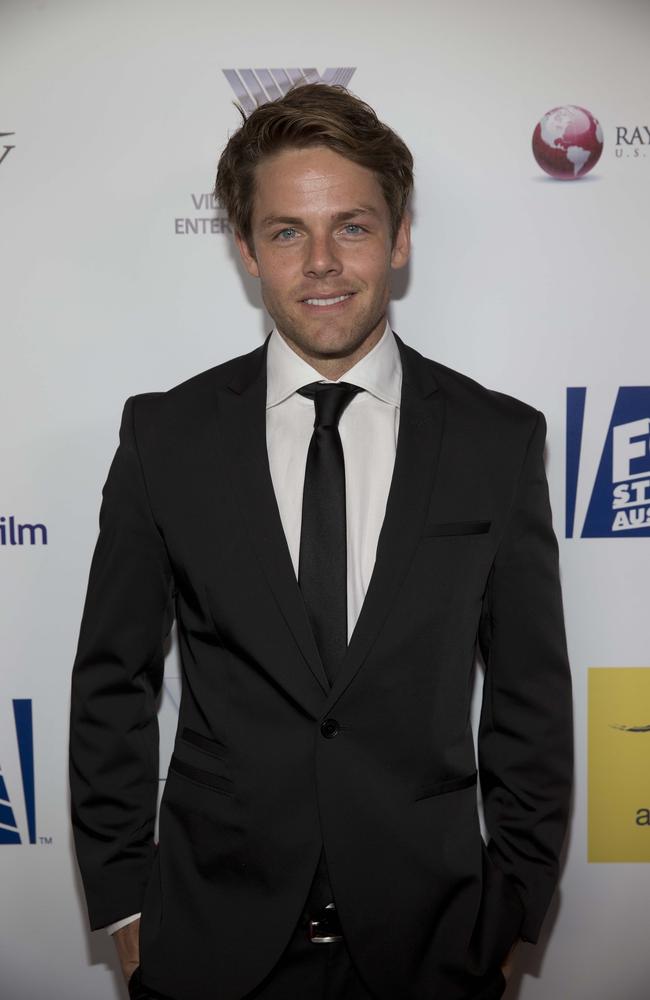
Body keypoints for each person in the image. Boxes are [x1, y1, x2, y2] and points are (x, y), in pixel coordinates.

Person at [69, 83, 573, 1000]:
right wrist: (126, 908)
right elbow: (112, 683)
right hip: (208, 939)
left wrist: (512, 914)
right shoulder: (164, 437)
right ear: (247, 250)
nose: (323, 263)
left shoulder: (499, 440)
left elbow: (529, 700)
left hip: (434, 946)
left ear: (401, 237)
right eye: (288, 232)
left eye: (352, 226)